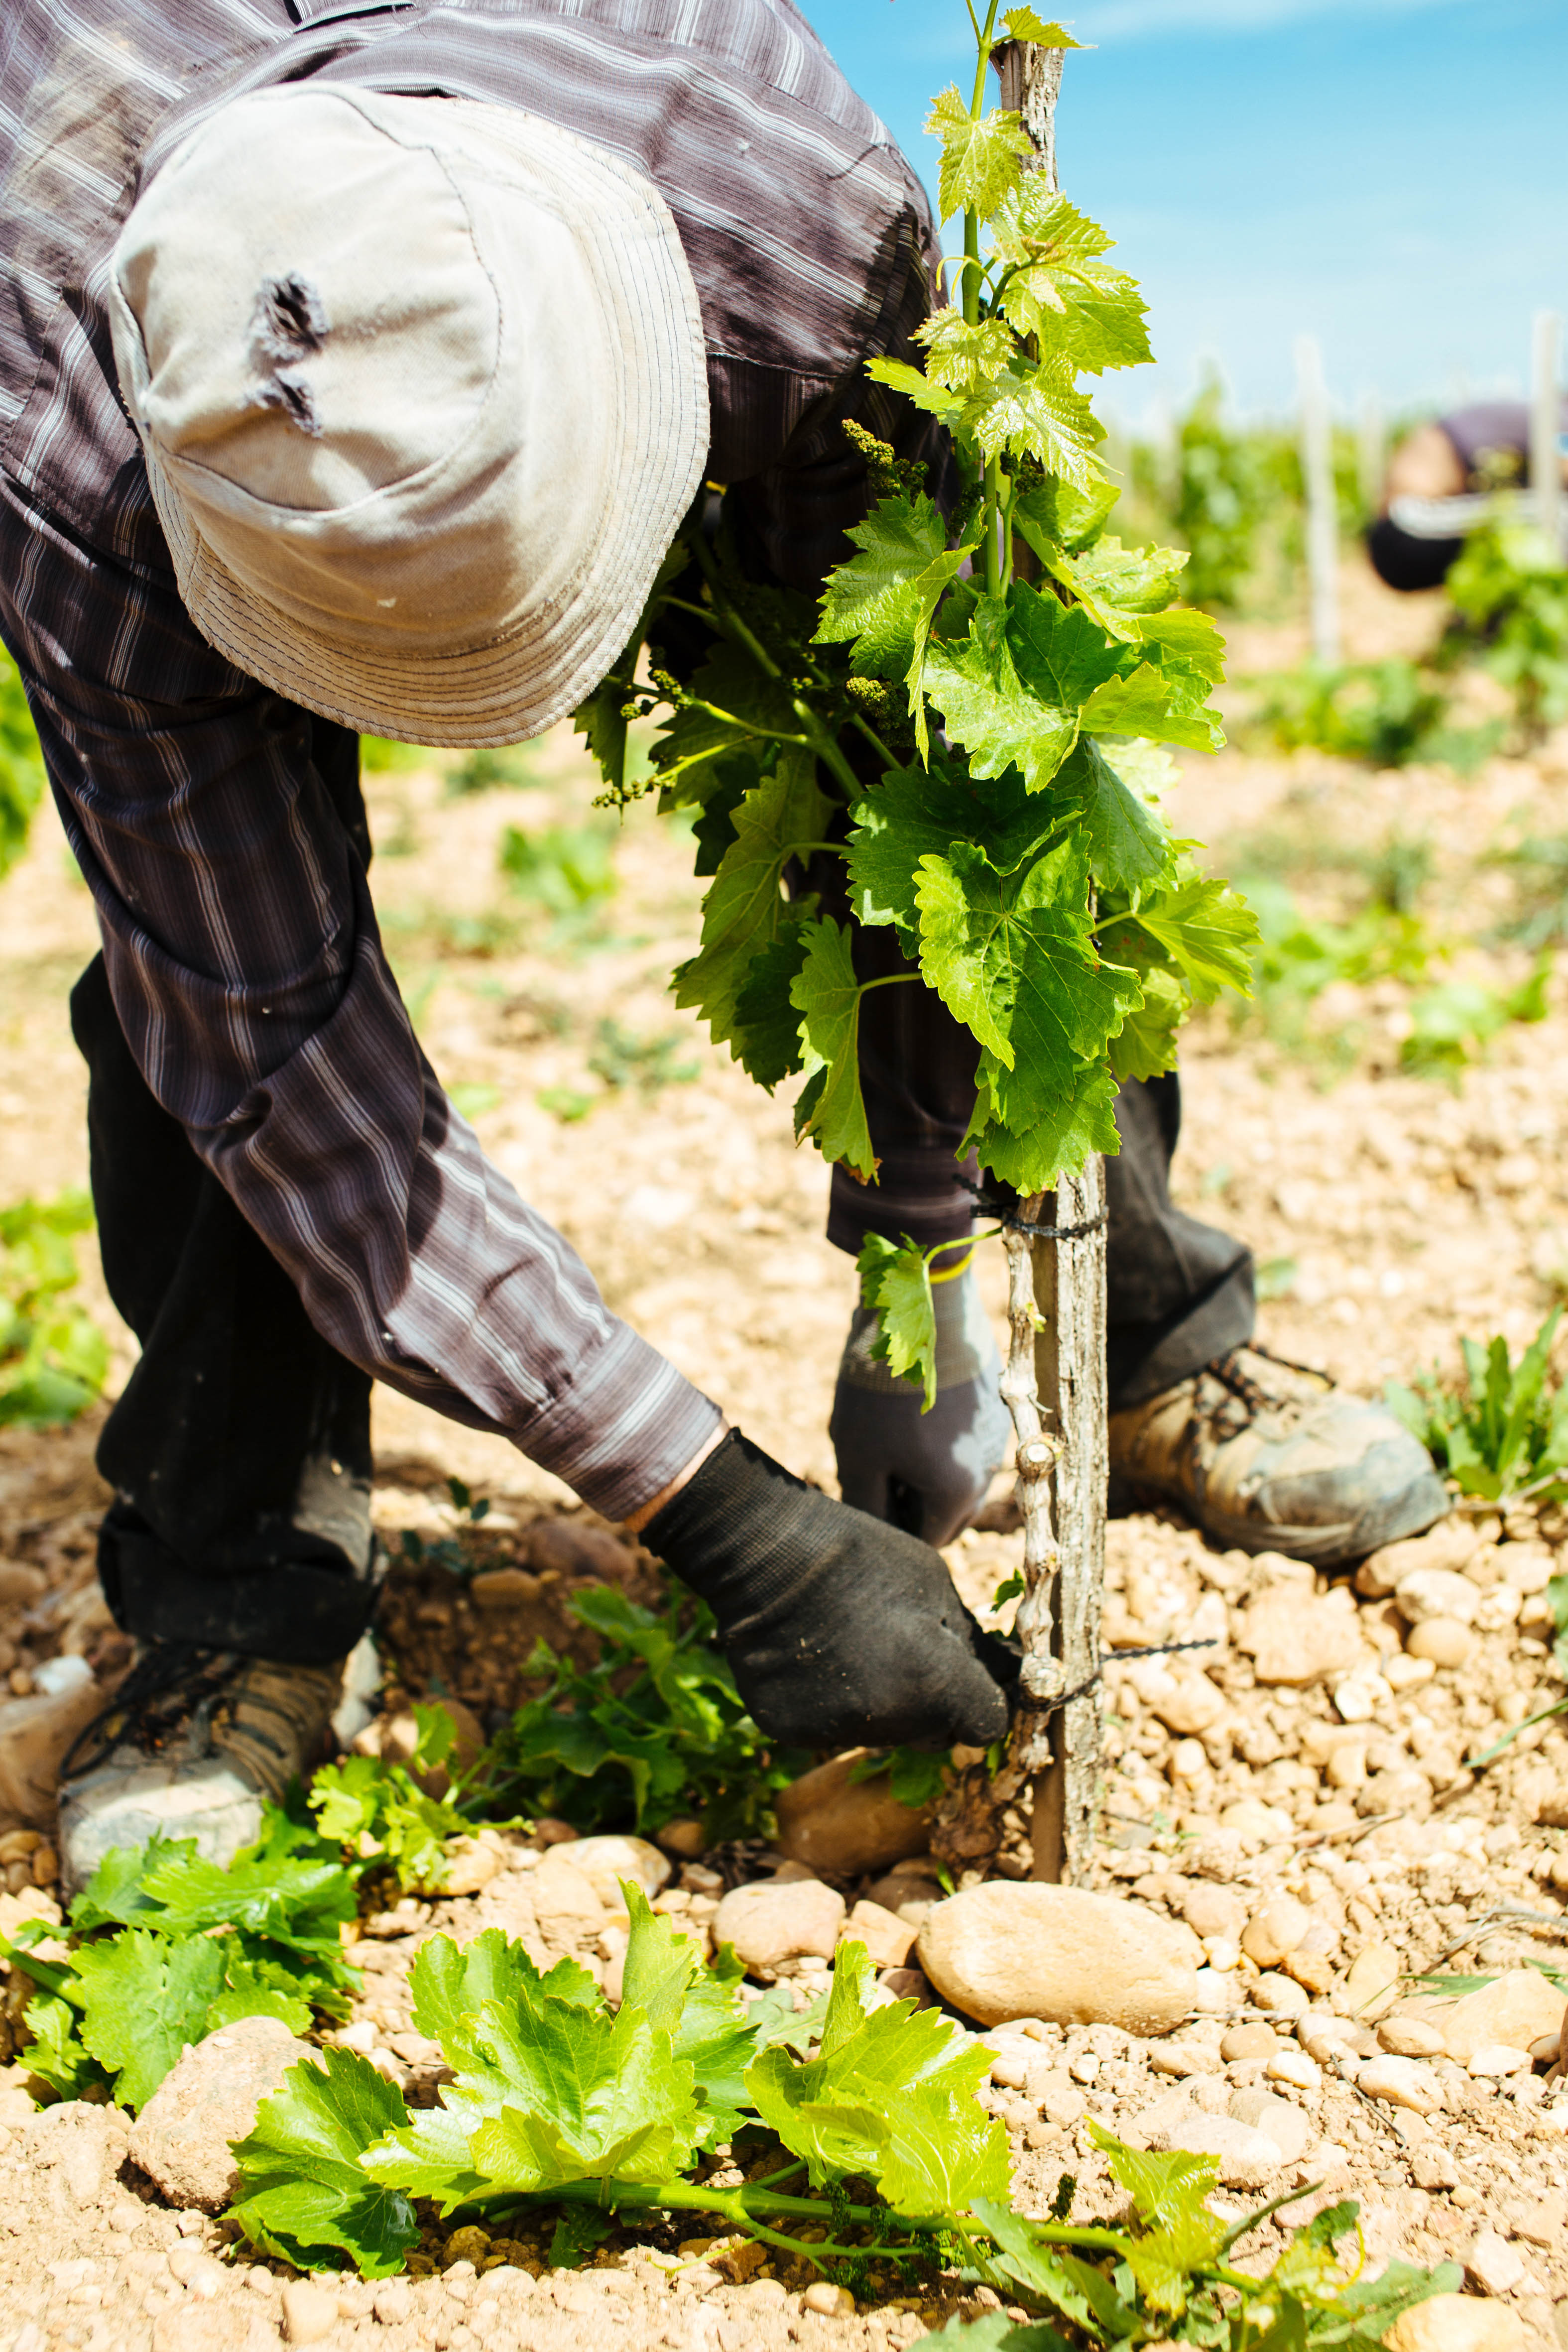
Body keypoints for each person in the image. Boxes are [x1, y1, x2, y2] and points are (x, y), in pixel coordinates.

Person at [0, 1, 1440, 1889]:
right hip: (138, 392)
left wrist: (922, 1247)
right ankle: (238, 1582)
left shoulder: (787, 215)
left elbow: (915, 755)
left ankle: (1143, 1319)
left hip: (682, 263)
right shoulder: (64, 440)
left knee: (977, 781)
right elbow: (280, 1050)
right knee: (193, 990)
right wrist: (718, 1514)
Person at [1368, 397, 1568, 591]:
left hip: (1402, 532)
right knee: (1558, 511)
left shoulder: (1536, 414)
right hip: (1411, 525)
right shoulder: (1559, 420)